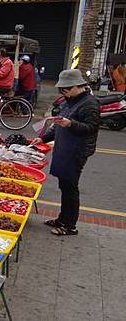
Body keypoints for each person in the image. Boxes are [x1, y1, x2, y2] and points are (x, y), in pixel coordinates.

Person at [31, 69, 100, 236]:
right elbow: (57, 124)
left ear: (78, 86)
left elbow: (91, 128)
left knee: (70, 187)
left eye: (66, 89)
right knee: (64, 185)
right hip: (64, 147)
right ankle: (62, 219)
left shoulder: (90, 103)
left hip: (77, 150)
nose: (64, 93)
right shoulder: (70, 100)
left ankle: (70, 225)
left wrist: (71, 124)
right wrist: (43, 139)